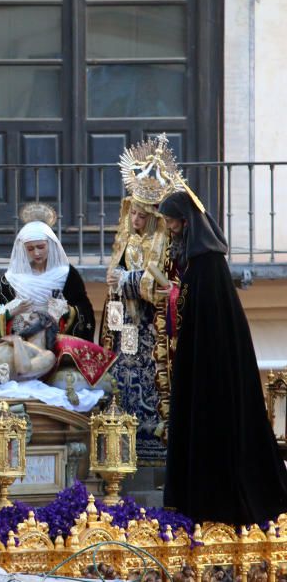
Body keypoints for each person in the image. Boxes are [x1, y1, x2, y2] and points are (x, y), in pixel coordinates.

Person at [159, 189, 287, 525]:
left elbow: (212, 330)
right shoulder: (198, 265)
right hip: (200, 365)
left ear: (186, 223)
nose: (169, 229)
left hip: (213, 373)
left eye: (171, 222)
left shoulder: (208, 266)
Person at [100, 135, 180, 462]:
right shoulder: (126, 242)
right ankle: (122, 439)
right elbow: (113, 285)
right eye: (132, 214)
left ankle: (151, 439)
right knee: (123, 379)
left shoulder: (164, 246)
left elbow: (159, 284)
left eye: (142, 216)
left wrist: (128, 280)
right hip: (124, 328)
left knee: (147, 382)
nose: (135, 221)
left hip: (150, 329)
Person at [0, 204, 113, 396]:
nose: (36, 253)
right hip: (18, 334)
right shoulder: (10, 280)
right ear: (23, 250)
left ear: (50, 245)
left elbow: (84, 309)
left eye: (40, 247)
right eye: (30, 249)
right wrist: (11, 311)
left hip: (53, 337)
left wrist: (67, 312)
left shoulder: (66, 275)